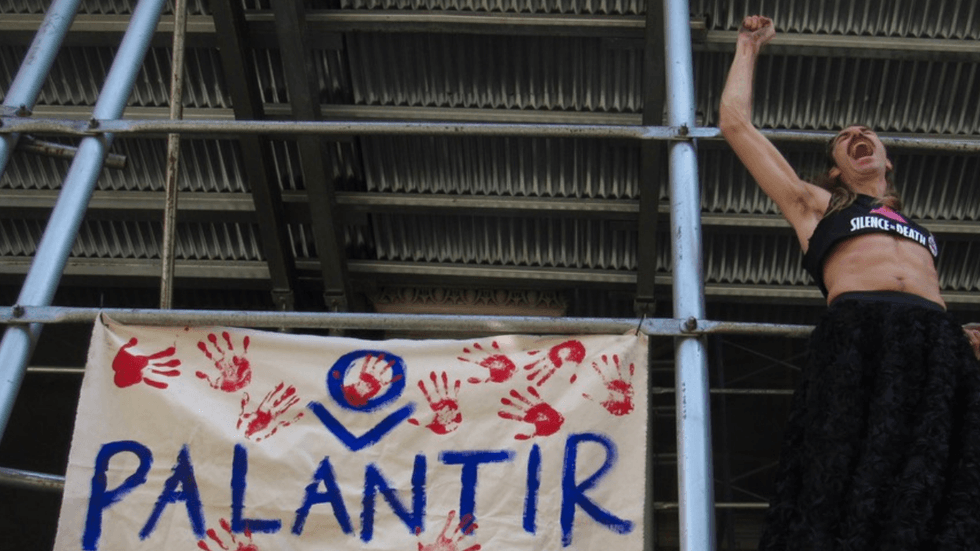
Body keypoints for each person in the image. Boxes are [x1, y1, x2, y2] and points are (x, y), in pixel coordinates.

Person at [719, 15, 980, 551]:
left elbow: (928, 292)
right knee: (844, 454)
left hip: (931, 337)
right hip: (859, 328)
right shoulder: (816, 205)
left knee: (935, 462)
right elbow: (736, 126)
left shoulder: (920, 230)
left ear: (887, 158)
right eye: (844, 138)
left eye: (866, 133)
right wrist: (748, 46)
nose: (857, 136)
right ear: (836, 170)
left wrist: (962, 339)